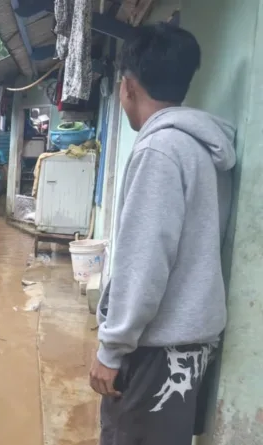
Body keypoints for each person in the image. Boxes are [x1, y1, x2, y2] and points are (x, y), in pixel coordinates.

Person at [91, 23, 235, 445]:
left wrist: (111, 349)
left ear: (128, 86)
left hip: (155, 351)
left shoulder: (159, 151)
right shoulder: (204, 149)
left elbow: (145, 262)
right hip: (192, 346)